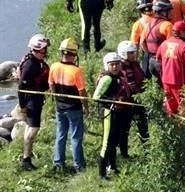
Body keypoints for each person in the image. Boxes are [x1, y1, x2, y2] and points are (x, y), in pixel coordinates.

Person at [49, 38, 87, 173]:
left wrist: (56, 99)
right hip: (74, 108)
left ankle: (59, 162)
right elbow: (82, 91)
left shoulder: (53, 66)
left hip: (60, 107)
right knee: (76, 136)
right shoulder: (76, 71)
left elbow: (51, 85)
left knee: (60, 134)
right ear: (74, 54)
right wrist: (86, 107)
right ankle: (79, 165)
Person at [93, 53, 130, 180]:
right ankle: (102, 173)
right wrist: (113, 102)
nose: (115, 67)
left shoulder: (120, 76)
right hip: (108, 113)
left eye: (117, 64)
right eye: (112, 65)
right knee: (106, 143)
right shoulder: (107, 78)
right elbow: (96, 97)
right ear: (107, 65)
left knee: (114, 141)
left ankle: (113, 167)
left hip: (118, 113)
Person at [16, 34, 51, 171]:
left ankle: (27, 154)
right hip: (32, 101)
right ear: (37, 50)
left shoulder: (36, 61)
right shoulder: (30, 66)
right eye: (44, 50)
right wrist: (23, 105)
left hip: (36, 98)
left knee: (30, 128)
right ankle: (26, 159)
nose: (45, 52)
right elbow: (20, 87)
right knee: (33, 129)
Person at [117, 40, 148, 156]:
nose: (134, 55)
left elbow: (142, 79)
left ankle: (147, 152)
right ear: (124, 53)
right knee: (124, 130)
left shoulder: (135, 64)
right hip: (126, 103)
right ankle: (124, 154)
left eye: (134, 52)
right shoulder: (119, 68)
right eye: (131, 53)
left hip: (139, 101)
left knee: (143, 127)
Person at [143, 0, 174, 79]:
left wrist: (150, 54)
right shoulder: (167, 25)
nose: (171, 13)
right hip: (162, 62)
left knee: (158, 85)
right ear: (163, 12)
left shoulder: (148, 24)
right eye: (169, 11)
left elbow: (142, 42)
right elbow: (171, 46)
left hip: (151, 62)